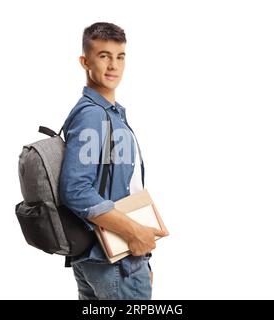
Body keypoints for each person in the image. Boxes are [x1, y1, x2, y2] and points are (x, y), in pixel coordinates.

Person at [59, 22, 168, 300]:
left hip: (117, 259)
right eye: (103, 55)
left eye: (120, 57)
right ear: (85, 61)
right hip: (114, 261)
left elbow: (124, 189)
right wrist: (134, 234)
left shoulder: (112, 114)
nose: (113, 66)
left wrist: (143, 259)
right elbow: (76, 190)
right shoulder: (93, 115)